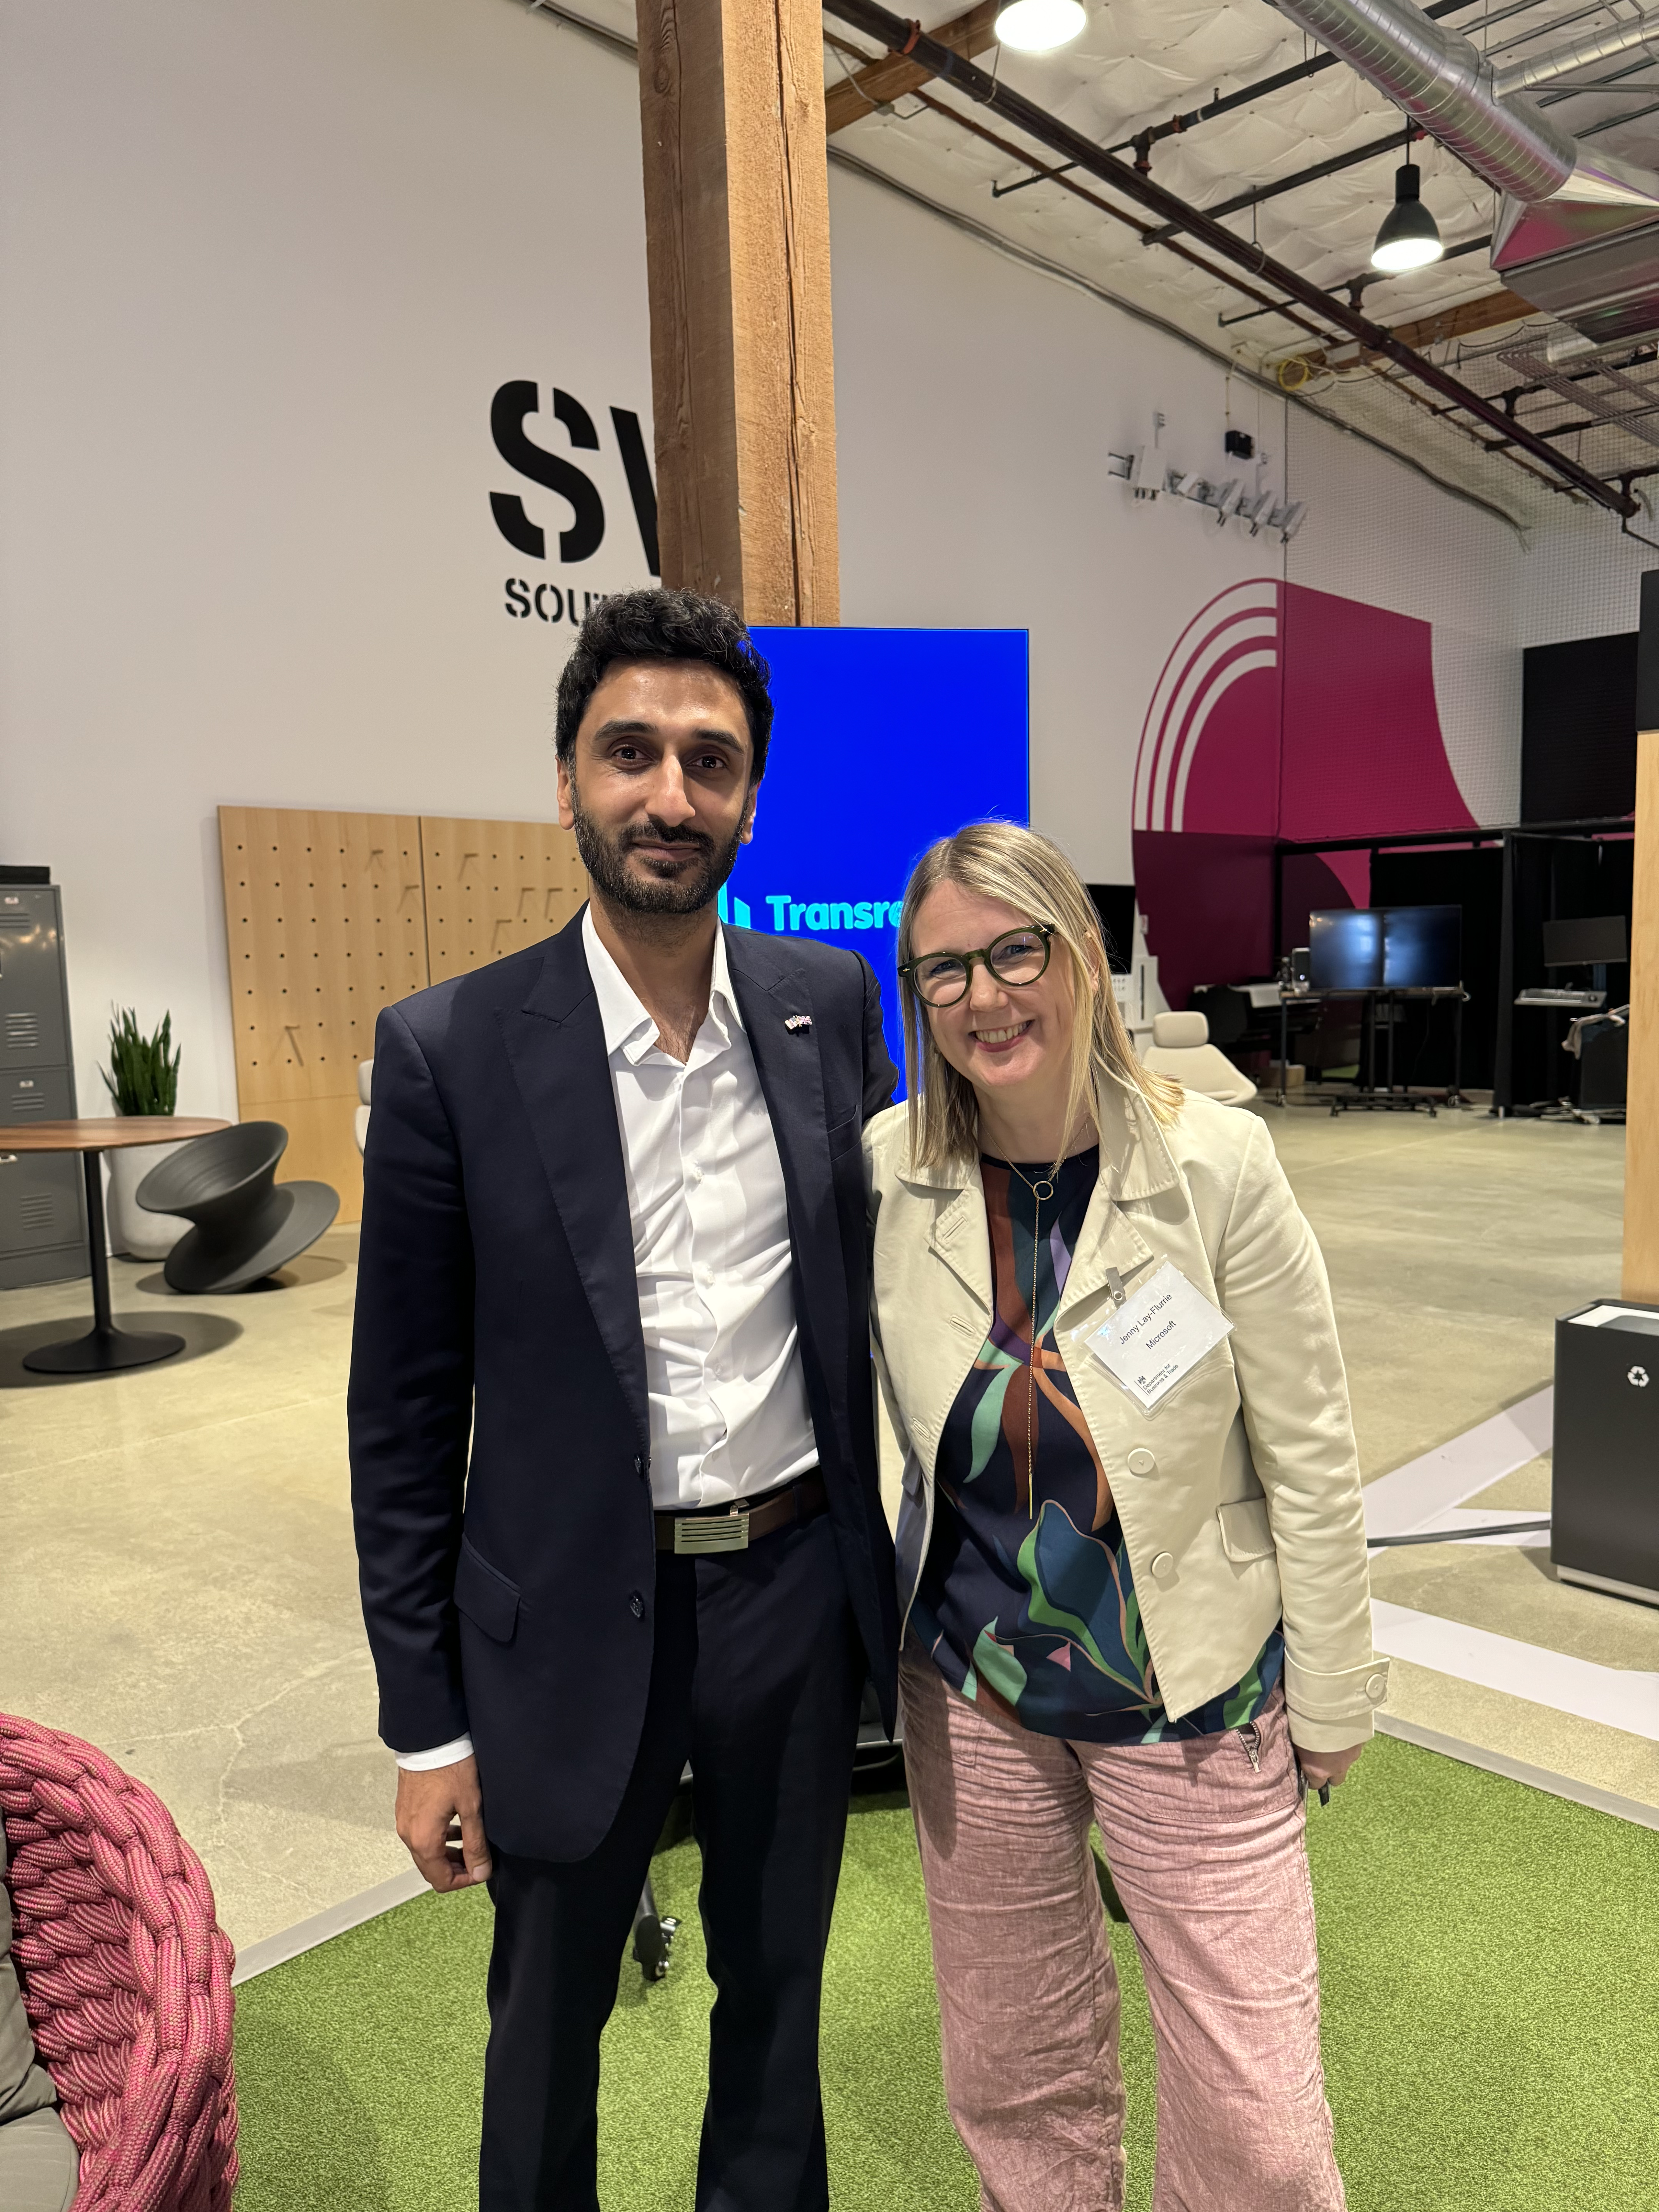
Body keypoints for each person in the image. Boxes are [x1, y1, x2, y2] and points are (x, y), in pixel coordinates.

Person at [349, 586, 900, 2212]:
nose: (671, 794)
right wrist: (425, 1722)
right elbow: (401, 1419)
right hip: (565, 1619)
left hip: (793, 1598)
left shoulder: (826, 1011)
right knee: (545, 2024)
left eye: (710, 761)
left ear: (750, 795)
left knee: (781, 1994)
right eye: (632, 753)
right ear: (571, 777)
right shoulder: (453, 1050)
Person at [863, 821, 1387, 2212]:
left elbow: (1311, 1451)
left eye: (1014, 950)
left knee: (1259, 2124)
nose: (984, 998)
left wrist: (1334, 1688)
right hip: (975, 1700)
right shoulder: (889, 1172)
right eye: (942, 973)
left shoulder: (1214, 1166)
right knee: (1013, 2071)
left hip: (1194, 1701)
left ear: (1082, 958)